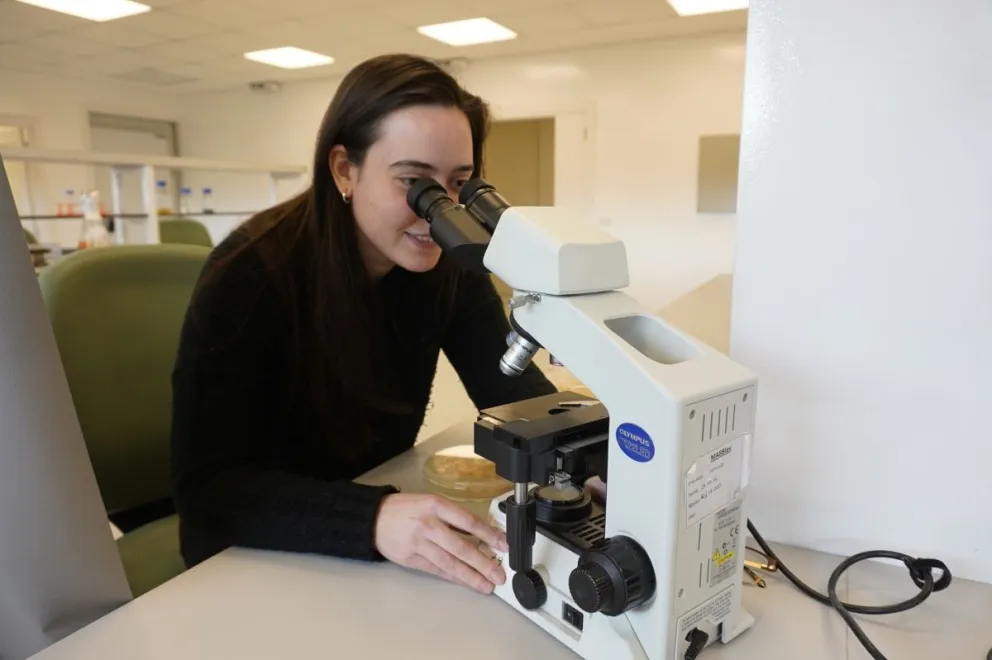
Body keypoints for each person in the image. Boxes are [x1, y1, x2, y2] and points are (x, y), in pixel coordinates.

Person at [169, 53, 563, 596]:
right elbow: (207, 490)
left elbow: (511, 392)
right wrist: (371, 518)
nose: (439, 211)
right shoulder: (251, 275)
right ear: (343, 170)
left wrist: (580, 460)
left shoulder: (446, 262)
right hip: (252, 553)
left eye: (458, 184)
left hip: (371, 528)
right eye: (414, 182)